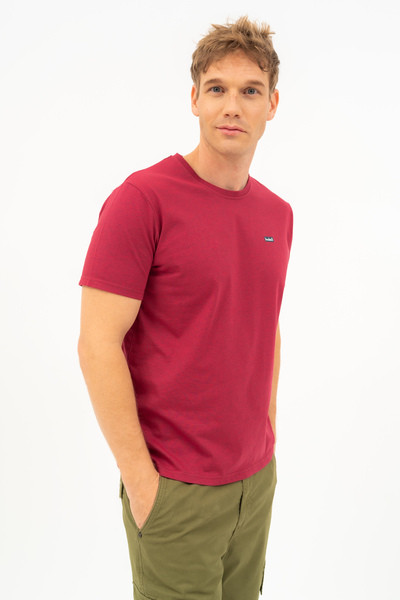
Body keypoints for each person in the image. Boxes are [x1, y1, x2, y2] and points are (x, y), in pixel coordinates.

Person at [78, 15, 293, 600]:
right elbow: (97, 344)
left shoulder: (277, 214)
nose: (232, 106)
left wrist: (267, 433)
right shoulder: (142, 200)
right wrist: (142, 483)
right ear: (194, 99)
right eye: (217, 88)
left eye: (250, 91)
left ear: (272, 105)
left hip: (255, 483)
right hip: (175, 490)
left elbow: (264, 324)